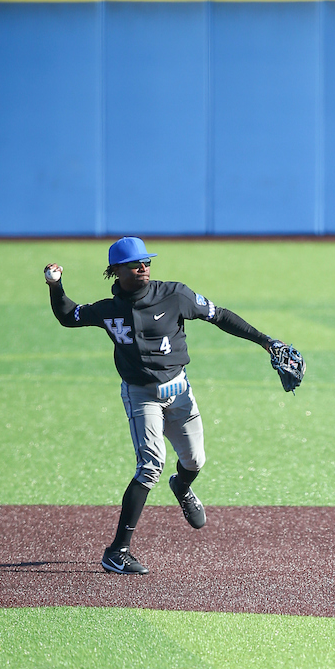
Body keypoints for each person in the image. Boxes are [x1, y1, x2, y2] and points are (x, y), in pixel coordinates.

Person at [44, 236, 292, 576]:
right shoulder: (108, 310)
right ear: (116, 271)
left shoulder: (175, 295)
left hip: (180, 391)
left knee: (195, 460)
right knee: (150, 466)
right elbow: (68, 316)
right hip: (140, 394)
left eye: (146, 261)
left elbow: (219, 315)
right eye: (135, 264)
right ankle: (117, 551)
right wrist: (54, 286)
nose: (143, 267)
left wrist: (267, 342)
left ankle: (182, 486)